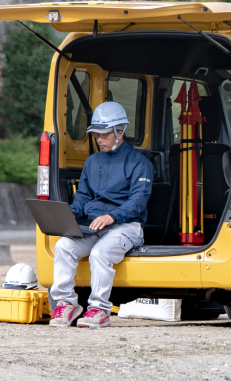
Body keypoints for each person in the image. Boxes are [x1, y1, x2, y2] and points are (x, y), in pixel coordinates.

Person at [49, 101, 154, 329]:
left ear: (120, 132)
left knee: (99, 254)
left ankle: (99, 309)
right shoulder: (92, 161)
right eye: (96, 134)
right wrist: (70, 215)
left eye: (104, 135)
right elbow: (83, 196)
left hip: (127, 226)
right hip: (94, 226)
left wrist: (112, 216)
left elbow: (138, 202)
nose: (99, 139)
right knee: (63, 247)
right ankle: (66, 304)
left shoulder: (140, 164)